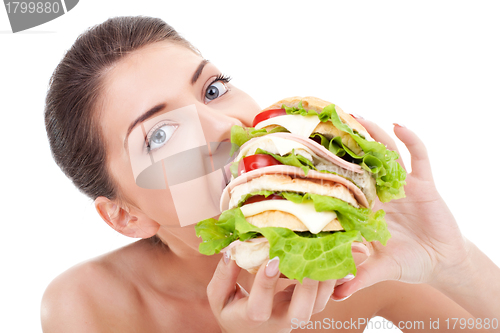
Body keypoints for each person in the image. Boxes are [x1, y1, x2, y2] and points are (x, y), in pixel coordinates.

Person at [41, 16, 500, 332]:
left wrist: (451, 262)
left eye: (213, 89)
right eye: (160, 135)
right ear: (125, 216)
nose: (228, 129)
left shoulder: (359, 260)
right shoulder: (88, 304)